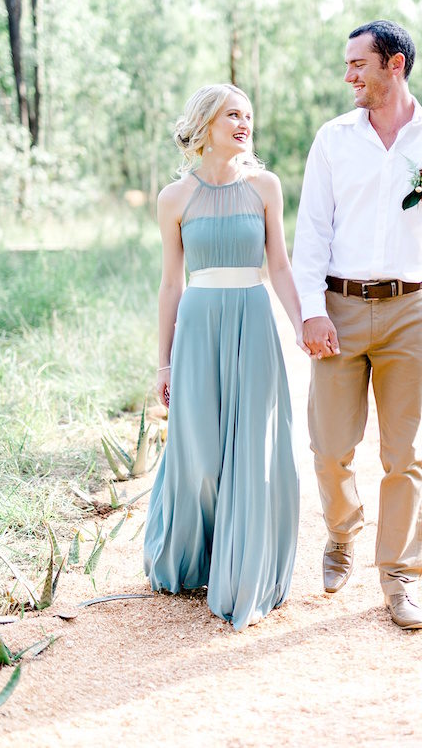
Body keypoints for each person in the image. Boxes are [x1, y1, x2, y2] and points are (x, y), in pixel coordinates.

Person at [292, 20, 422, 630]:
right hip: (339, 308)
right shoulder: (333, 139)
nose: (348, 75)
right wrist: (312, 309)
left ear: (393, 65)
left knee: (404, 454)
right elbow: (312, 230)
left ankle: (399, 575)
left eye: (358, 64)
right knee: (328, 448)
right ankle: (342, 534)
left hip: (410, 310)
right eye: (348, 65)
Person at [143, 83, 308, 631]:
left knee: (250, 448)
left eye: (248, 115)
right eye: (232, 115)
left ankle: (243, 568)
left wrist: (303, 322)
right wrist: (162, 364)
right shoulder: (174, 198)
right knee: (200, 450)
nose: (244, 123)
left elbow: (280, 265)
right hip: (197, 326)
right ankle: (196, 553)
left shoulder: (265, 186)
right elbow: (170, 284)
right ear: (206, 123)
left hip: (253, 321)